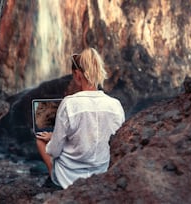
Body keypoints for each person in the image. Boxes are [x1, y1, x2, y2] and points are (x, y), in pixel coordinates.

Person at [36, 47, 125, 189]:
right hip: (102, 172)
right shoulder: (116, 105)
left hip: (70, 178)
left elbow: (54, 150)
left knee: (40, 139)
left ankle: (55, 180)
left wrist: (53, 138)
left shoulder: (69, 104)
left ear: (77, 75)